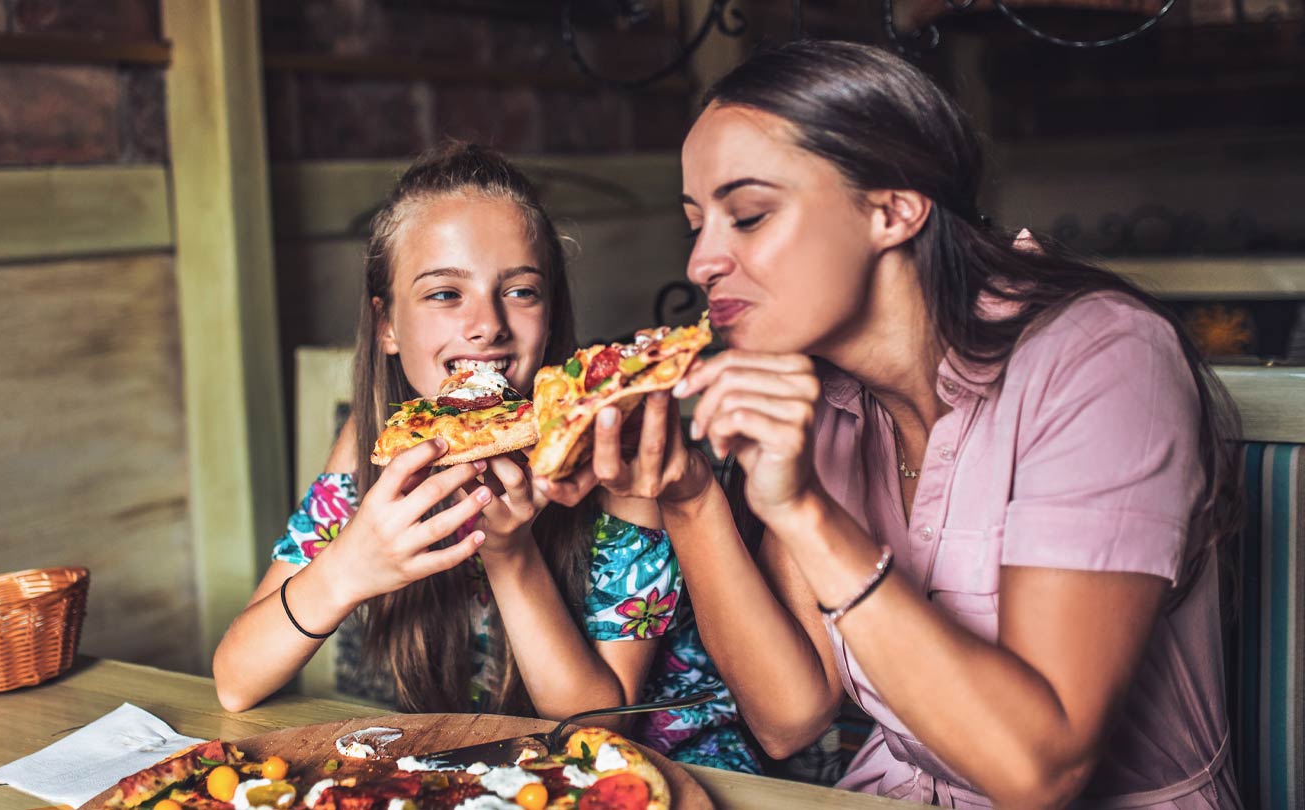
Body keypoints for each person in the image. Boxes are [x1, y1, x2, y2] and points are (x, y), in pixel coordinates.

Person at [539, 41, 1241, 807]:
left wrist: (805, 512)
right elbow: (789, 718)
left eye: (747, 215)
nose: (704, 261)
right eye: (695, 226)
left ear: (892, 208)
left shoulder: (1103, 356)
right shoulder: (817, 394)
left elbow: (1043, 771)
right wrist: (690, 494)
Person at [213, 142, 759, 773]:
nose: (487, 325)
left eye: (521, 291)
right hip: (501, 770)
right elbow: (235, 681)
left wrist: (511, 555)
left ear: (550, 318)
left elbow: (597, 729)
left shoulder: (616, 451)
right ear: (386, 325)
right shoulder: (377, 440)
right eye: (445, 294)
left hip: (672, 775)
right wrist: (346, 570)